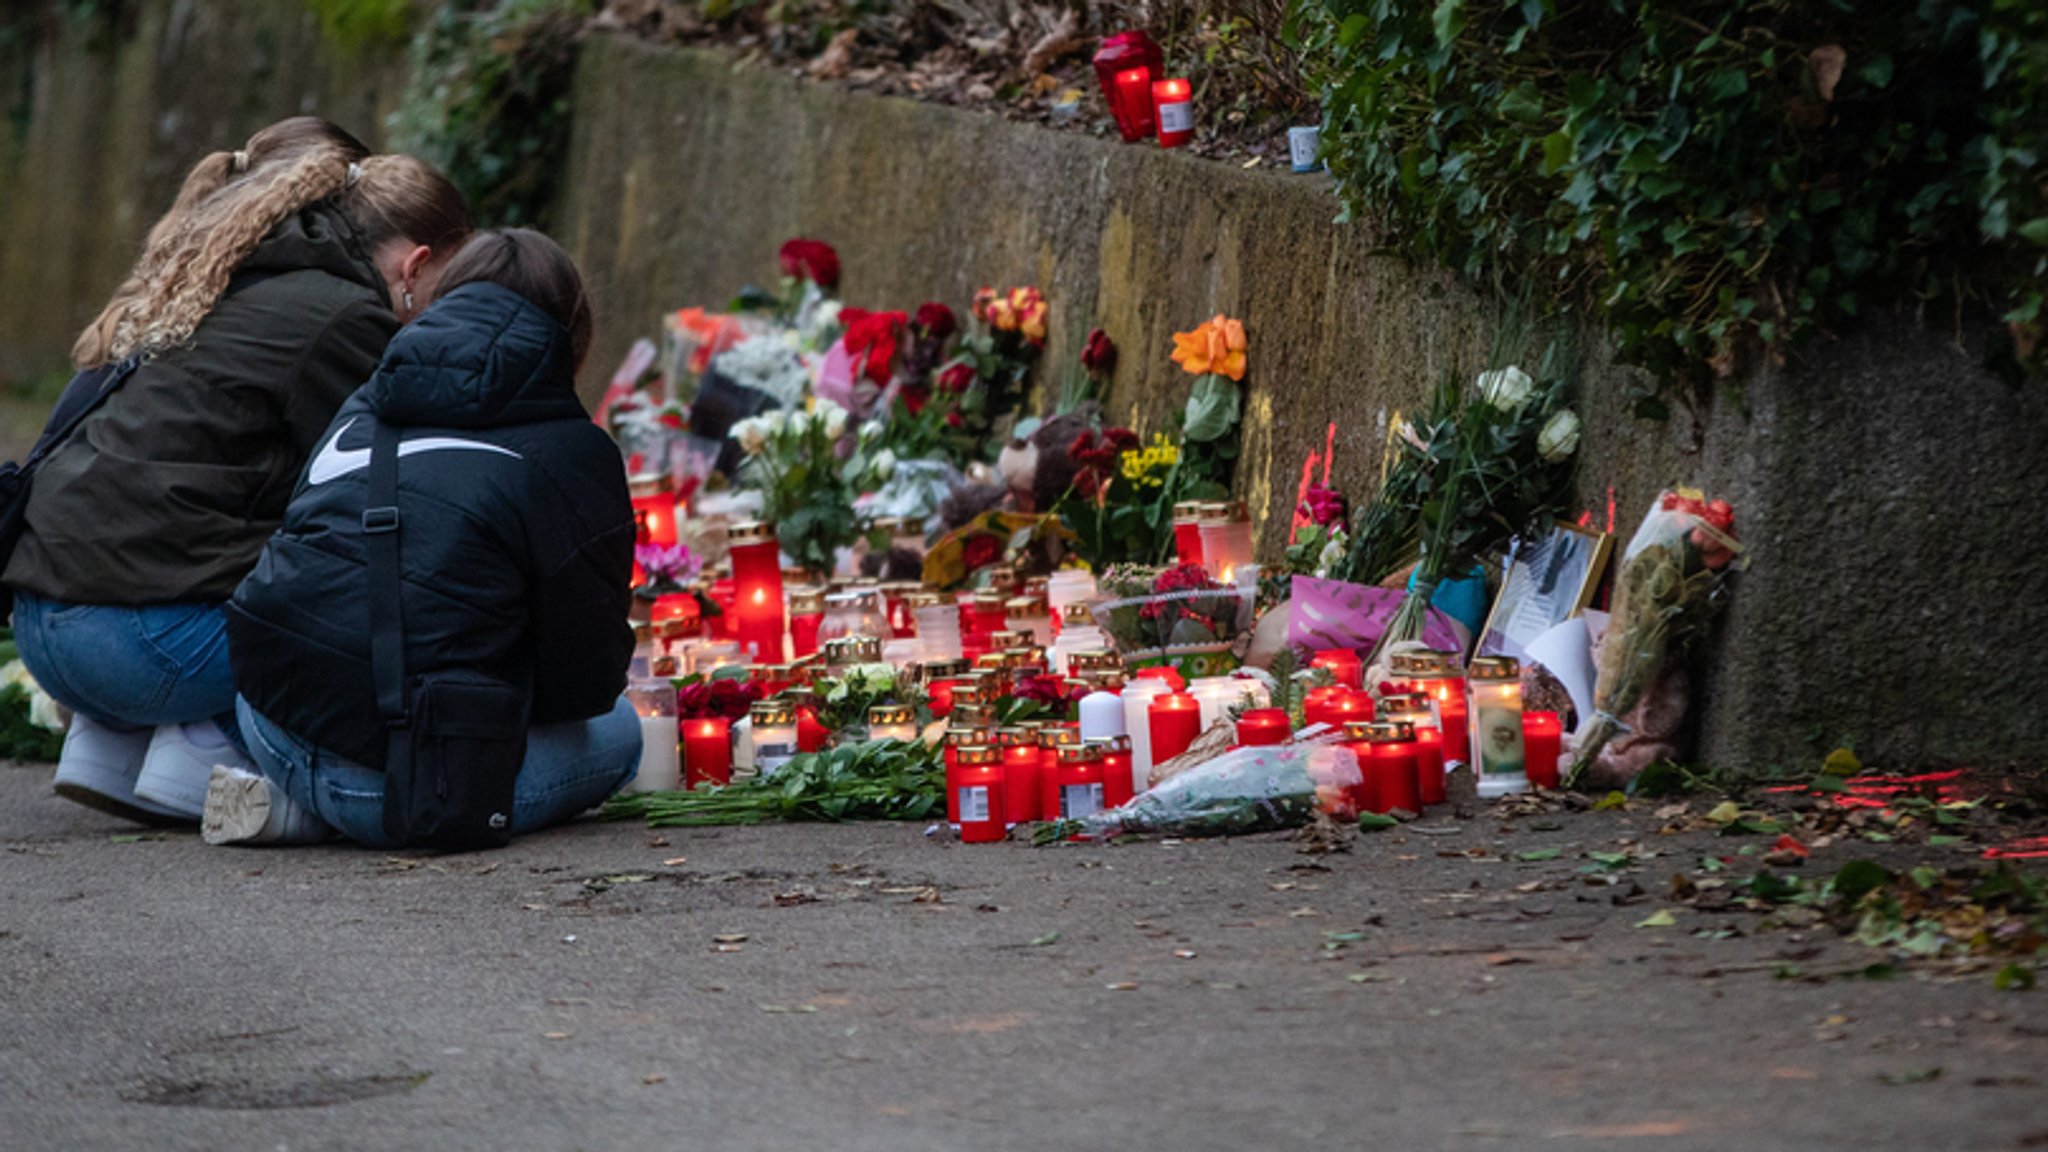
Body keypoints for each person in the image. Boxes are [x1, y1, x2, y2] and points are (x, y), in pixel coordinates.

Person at [4, 117, 471, 823]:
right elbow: (385, 498)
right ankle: (203, 744)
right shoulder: (345, 318)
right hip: (140, 647)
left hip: (44, 626)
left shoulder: (219, 278)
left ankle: (112, 746)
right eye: (449, 287)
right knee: (376, 584)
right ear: (415, 266)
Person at [211, 229, 639, 848]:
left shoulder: (366, 402)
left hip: (274, 725)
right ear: (573, 332)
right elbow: (584, 683)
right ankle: (346, 809)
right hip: (424, 785)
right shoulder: (575, 453)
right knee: (624, 733)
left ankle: (302, 802)